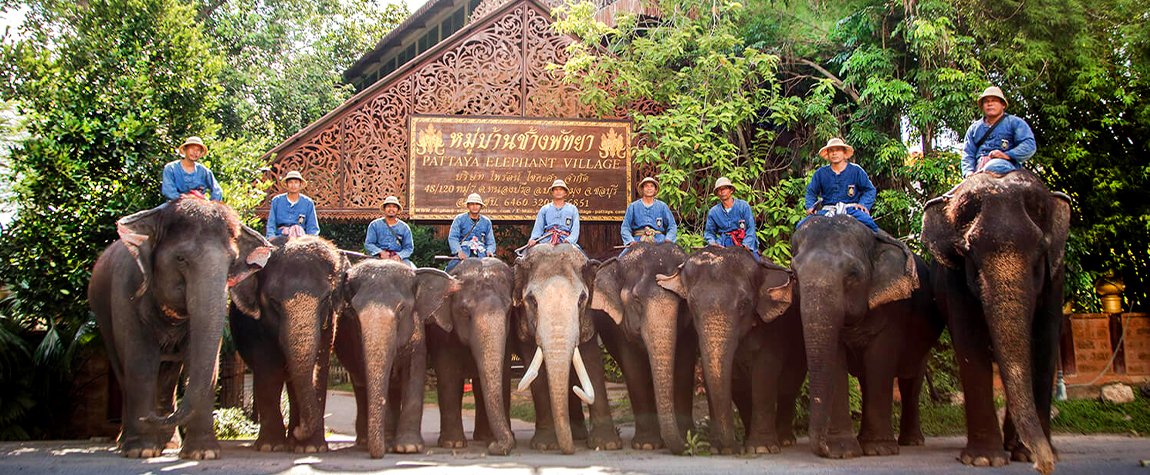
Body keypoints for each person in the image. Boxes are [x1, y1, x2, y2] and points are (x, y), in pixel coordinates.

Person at [798, 137, 879, 232]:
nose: (834, 153)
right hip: (827, 211)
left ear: (844, 153)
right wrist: (810, 206)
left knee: (870, 225)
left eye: (838, 150)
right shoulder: (820, 173)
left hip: (851, 210)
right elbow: (811, 192)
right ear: (828, 154)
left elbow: (869, 190)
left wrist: (863, 204)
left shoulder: (856, 171)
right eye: (831, 151)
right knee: (801, 226)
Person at [961, 86, 1036, 178]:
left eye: (994, 100)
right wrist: (968, 172)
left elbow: (1029, 145)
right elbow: (968, 153)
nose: (990, 104)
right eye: (986, 101)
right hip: (978, 168)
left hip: (1005, 166)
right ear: (982, 106)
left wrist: (1007, 155)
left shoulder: (1015, 123)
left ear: (1003, 105)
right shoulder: (974, 128)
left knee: (993, 166)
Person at [620, 177, 677, 254]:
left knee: (676, 258)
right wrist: (631, 241)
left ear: (655, 189)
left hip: (660, 241)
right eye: (646, 186)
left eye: (652, 186)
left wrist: (668, 239)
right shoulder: (633, 206)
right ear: (642, 189)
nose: (649, 188)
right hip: (638, 241)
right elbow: (625, 227)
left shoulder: (662, 206)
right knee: (622, 259)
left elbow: (672, 226)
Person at [704, 177, 758, 255]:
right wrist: (712, 243)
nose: (722, 191)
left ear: (731, 190)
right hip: (723, 243)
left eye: (725, 188)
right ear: (717, 194)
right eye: (719, 189)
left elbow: (751, 228)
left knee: (755, 261)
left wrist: (746, 245)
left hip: (743, 241)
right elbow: (709, 232)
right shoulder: (713, 212)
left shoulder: (743, 206)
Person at [161, 136, 224, 201]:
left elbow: (217, 191)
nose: (195, 152)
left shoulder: (204, 172)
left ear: (200, 153)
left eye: (198, 150)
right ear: (185, 150)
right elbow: (169, 192)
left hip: (199, 204)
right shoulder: (171, 168)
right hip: (175, 204)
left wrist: (211, 204)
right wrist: (187, 201)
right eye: (192, 149)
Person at [446, 193, 496, 272]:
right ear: (468, 206)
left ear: (481, 206)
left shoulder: (486, 222)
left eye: (477, 204)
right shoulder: (459, 219)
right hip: (464, 252)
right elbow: (453, 237)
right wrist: (459, 251)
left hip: (482, 254)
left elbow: (491, 241)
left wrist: (490, 251)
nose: (474, 206)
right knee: (450, 269)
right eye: (472, 204)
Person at [265, 170, 320, 239]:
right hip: (281, 236)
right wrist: (271, 238)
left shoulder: (308, 202)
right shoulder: (277, 201)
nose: (293, 185)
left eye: (296, 182)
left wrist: (311, 240)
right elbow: (271, 224)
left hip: (301, 238)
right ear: (287, 184)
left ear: (300, 184)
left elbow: (312, 227)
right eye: (290, 182)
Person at [527, 179, 580, 248]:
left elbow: (575, 228)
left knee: (578, 253)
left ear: (565, 192)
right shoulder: (545, 209)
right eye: (556, 189)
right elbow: (538, 227)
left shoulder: (572, 209)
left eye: (561, 189)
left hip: (565, 239)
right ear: (552, 192)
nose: (558, 191)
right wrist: (534, 238)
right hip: (547, 239)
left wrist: (570, 240)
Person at [365, 196, 414, 267]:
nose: (391, 209)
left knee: (413, 271)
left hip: (398, 259)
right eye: (388, 206)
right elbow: (369, 244)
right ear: (384, 209)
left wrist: (399, 256)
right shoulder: (374, 225)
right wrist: (381, 252)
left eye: (394, 207)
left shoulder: (404, 228)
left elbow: (408, 248)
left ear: (398, 210)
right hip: (378, 258)